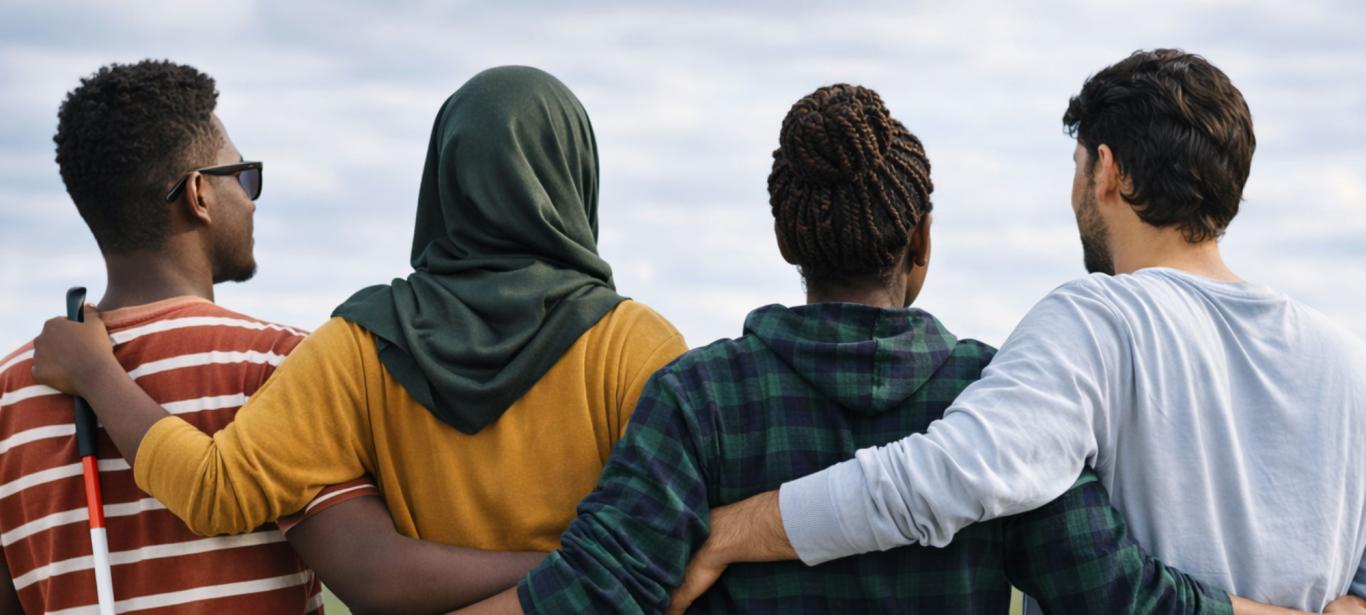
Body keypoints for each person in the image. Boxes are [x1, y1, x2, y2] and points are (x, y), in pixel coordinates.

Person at [458, 83, 1305, 615]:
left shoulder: (696, 398)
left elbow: (586, 591)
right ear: (922, 240)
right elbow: (1108, 590)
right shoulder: (997, 393)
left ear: (791, 243)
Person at [667, 50, 1366, 614]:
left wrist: (730, 530)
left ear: (1108, 173)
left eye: (1078, 165)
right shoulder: (1344, 357)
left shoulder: (1101, 321)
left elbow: (942, 479)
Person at [29, 65, 689, 613]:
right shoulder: (635, 347)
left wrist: (98, 374)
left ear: (443, 180)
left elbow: (215, 488)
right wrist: (578, 568)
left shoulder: (359, 344)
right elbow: (685, 548)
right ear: (576, 178)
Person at [0, 59, 324, 613]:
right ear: (199, 194)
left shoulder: (10, 392)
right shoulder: (281, 362)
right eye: (243, 177)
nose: (250, 199)